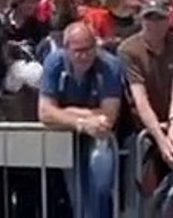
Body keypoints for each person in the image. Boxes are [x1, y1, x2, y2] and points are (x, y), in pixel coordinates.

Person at [38, 21, 123, 218]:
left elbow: (108, 115)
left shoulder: (110, 65)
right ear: (66, 48)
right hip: (70, 135)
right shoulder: (53, 62)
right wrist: (82, 121)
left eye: (88, 49)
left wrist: (64, 111)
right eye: (77, 51)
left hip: (101, 138)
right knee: (76, 195)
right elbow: (44, 112)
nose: (83, 56)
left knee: (99, 188)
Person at [117, 0, 173, 191]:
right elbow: (139, 99)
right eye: (149, 18)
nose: (154, 24)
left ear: (168, 21)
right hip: (141, 129)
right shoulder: (129, 49)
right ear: (141, 19)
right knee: (143, 190)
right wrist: (159, 137)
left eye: (159, 19)